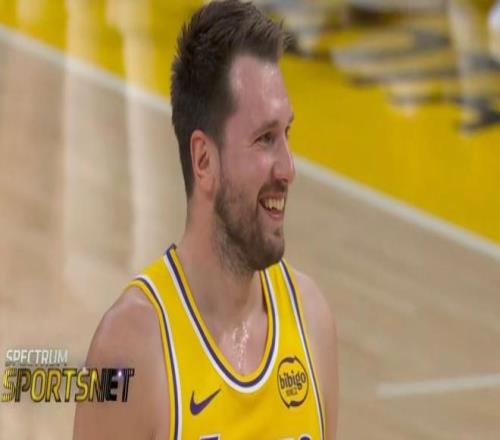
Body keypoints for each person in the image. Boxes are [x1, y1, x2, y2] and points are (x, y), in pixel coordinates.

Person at [73, 1, 338, 438]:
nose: (288, 168)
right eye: (265, 139)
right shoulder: (132, 349)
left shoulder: (312, 320)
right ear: (203, 160)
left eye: (286, 134)